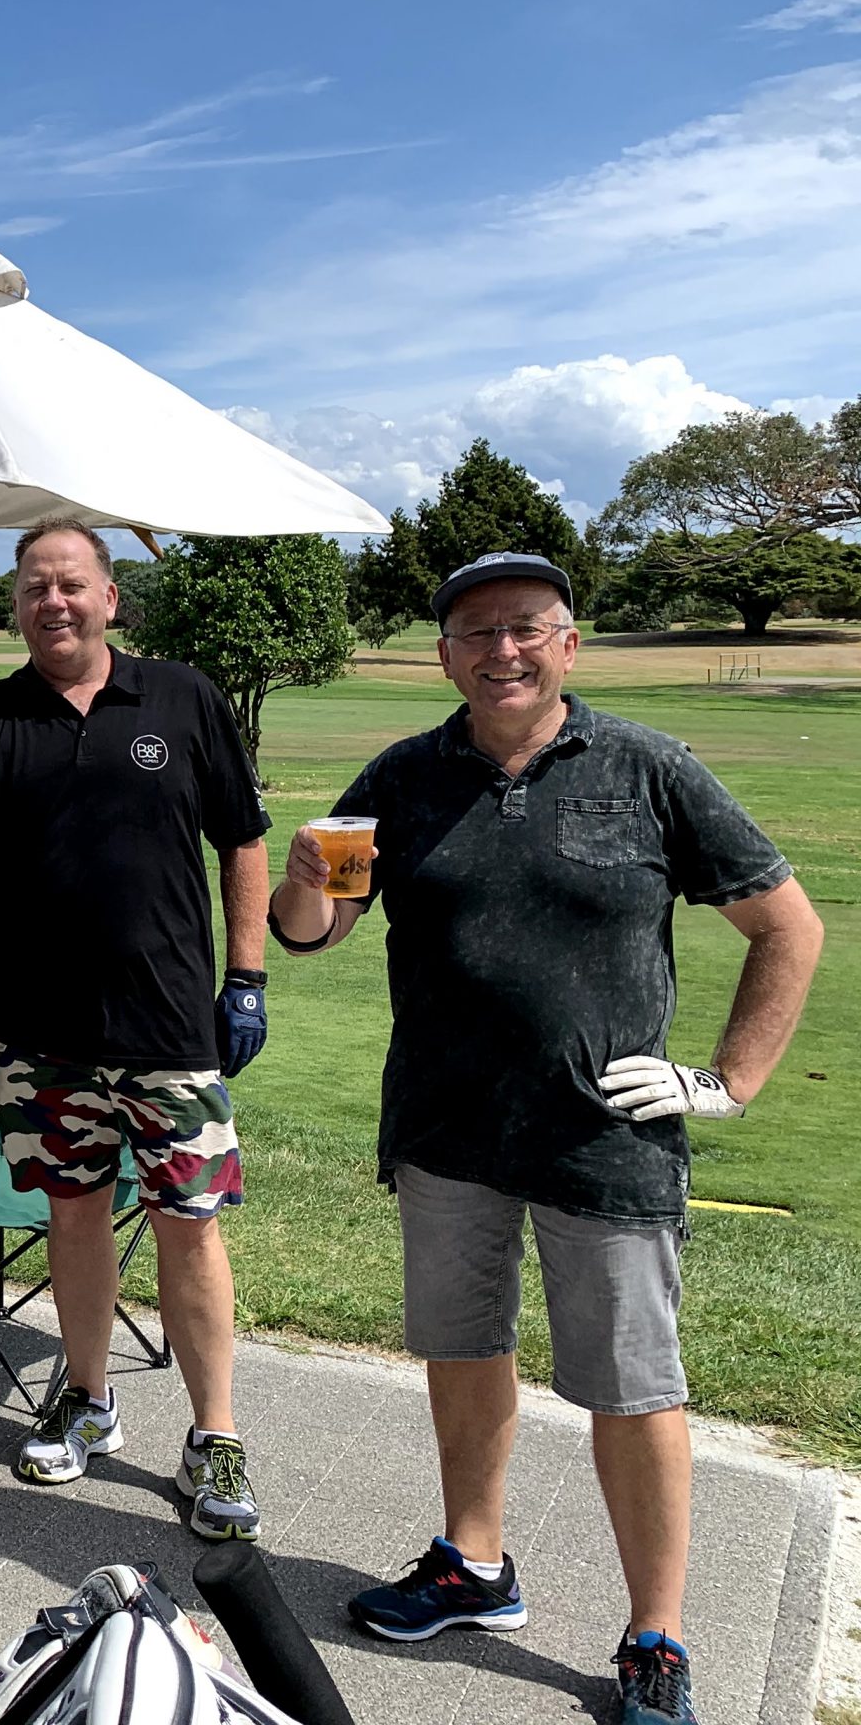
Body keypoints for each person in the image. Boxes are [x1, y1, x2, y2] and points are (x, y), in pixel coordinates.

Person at [269, 551, 822, 1725]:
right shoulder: (405, 775)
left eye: (524, 627)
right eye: (475, 633)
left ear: (568, 643)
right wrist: (304, 883)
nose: (500, 650)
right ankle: (472, 1566)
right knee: (462, 1353)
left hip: (603, 1140)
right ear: (444, 658)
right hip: (445, 1127)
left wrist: (726, 1083)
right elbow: (315, 932)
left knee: (631, 1390)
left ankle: (655, 1636)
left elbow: (785, 925)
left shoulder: (645, 767)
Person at [0, 519, 273, 1540]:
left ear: (109, 597)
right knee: (70, 1218)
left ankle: (213, 1434)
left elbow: (241, 838)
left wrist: (245, 977)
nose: (50, 602)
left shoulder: (180, 696)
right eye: (31, 588)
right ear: (13, 605)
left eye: (69, 584)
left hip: (168, 1023)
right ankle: (88, 1399)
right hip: (40, 1028)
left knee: (189, 1228)